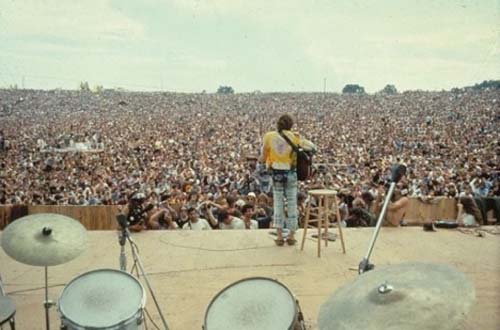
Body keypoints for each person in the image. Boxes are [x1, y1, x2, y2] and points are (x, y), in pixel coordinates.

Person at [260, 114, 315, 246]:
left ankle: (279, 236)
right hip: (291, 173)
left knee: (278, 204)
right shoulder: (295, 137)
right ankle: (291, 236)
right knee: (292, 203)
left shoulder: (269, 136)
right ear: (291, 125)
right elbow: (312, 147)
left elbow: (262, 157)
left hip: (277, 174)